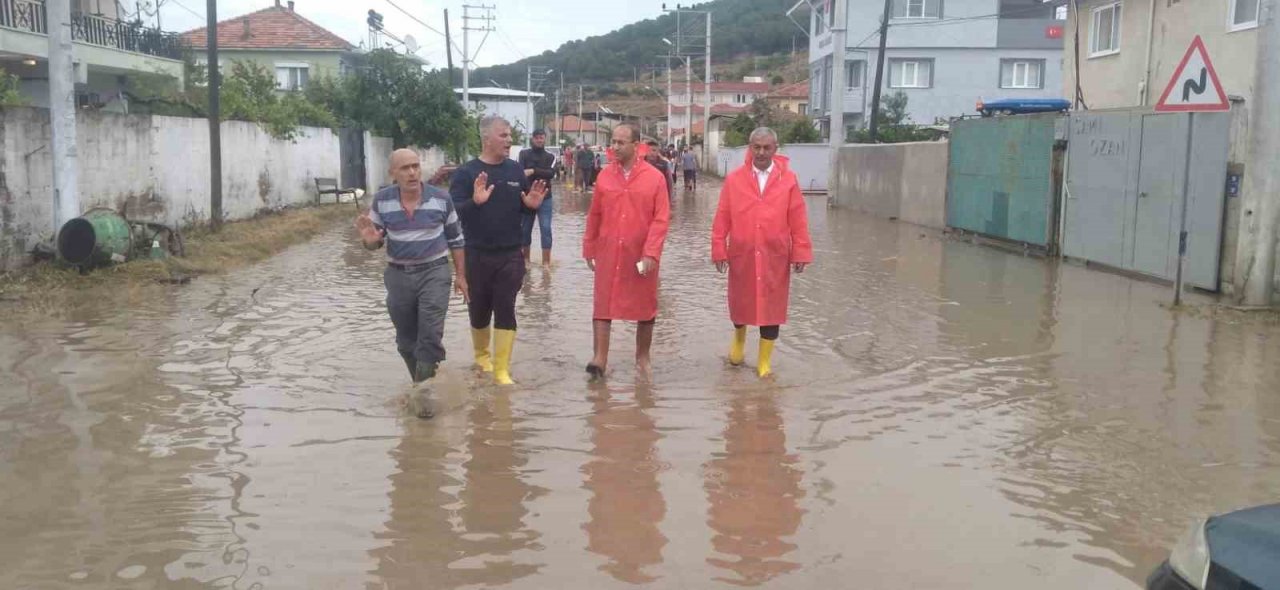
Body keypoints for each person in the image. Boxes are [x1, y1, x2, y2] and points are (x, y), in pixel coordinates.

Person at [355, 149, 468, 419]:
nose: (413, 172)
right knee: (406, 342)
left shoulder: (441, 199)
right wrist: (370, 241)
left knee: (429, 337)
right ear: (392, 173)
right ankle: (421, 387)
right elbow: (374, 240)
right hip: (398, 275)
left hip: (435, 273)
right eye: (405, 168)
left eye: (416, 166)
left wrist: (462, 276)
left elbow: (456, 239)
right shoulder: (383, 201)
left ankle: (422, 403)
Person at [449, 115, 549, 385]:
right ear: (486, 139)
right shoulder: (466, 173)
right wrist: (475, 201)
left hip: (511, 254)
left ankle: (502, 370)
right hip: (476, 254)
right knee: (479, 310)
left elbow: (523, 206)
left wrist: (531, 206)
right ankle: (482, 358)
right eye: (503, 135)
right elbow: (453, 213)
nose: (509, 140)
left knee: (506, 307)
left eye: (509, 135)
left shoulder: (515, 171)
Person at [712, 127, 813, 378]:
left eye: (767, 147)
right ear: (750, 148)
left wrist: (800, 251)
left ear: (775, 149)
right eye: (756, 147)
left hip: (774, 255)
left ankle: (764, 362)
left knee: (772, 307)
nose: (761, 152)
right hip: (742, 252)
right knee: (740, 301)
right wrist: (719, 248)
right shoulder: (734, 179)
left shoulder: (788, 180)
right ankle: (739, 339)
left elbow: (798, 218)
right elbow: (722, 215)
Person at [582, 124, 671, 379]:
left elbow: (661, 219)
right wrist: (589, 247)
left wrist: (651, 252)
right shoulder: (604, 176)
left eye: (621, 142)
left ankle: (642, 358)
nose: (615, 147)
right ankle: (600, 358)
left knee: (645, 304)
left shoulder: (654, 178)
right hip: (608, 250)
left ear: (636, 145)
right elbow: (595, 215)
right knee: (603, 302)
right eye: (613, 141)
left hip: (641, 253)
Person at [518, 129, 556, 266]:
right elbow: (520, 172)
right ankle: (526, 261)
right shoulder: (523, 154)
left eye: (542, 138)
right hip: (527, 197)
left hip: (545, 197)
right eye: (537, 138)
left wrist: (533, 170)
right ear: (532, 139)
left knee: (546, 229)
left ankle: (546, 263)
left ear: (545, 139)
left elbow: (551, 173)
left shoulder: (550, 156)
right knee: (525, 229)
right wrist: (540, 172)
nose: (539, 140)